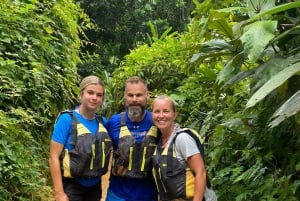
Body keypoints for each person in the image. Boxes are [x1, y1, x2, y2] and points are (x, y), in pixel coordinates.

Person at [49, 75, 112, 201]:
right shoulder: (66, 120)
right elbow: (53, 157)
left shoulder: (102, 122)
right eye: (90, 93)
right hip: (72, 186)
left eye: (99, 95)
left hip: (95, 187)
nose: (94, 98)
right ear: (81, 93)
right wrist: (59, 193)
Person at [105, 76, 159, 201]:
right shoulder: (113, 122)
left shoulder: (157, 122)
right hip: (117, 195)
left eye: (139, 95)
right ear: (125, 96)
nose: (134, 99)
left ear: (147, 96)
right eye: (130, 95)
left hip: (149, 195)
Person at [151, 95, 207, 201]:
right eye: (157, 111)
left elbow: (201, 172)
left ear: (174, 115)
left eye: (166, 111)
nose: (161, 115)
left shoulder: (182, 139)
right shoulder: (158, 143)